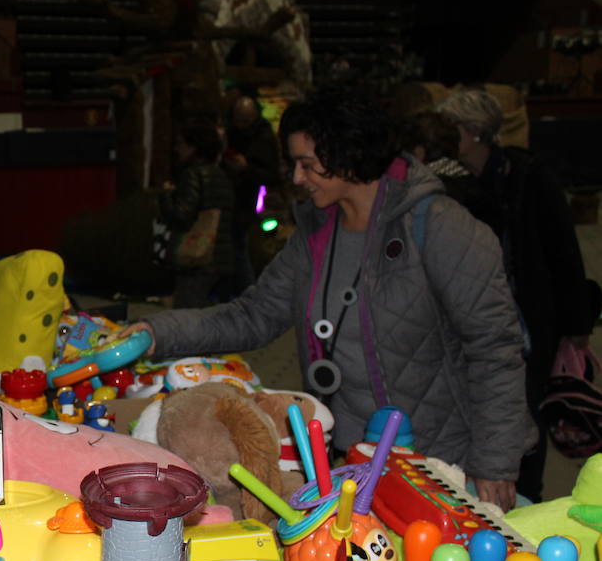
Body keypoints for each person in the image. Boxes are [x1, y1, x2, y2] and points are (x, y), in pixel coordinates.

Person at [123, 87, 533, 511]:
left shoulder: (440, 227)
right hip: (351, 468)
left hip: (442, 465)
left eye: (307, 164)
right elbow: (252, 315)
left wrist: (496, 464)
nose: (298, 178)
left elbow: (494, 349)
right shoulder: (316, 236)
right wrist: (158, 332)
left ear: (348, 153)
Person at [438, 88, 601, 501]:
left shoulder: (528, 177)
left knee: (526, 411)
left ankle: (527, 498)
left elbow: (564, 252)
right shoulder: (452, 182)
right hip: (481, 317)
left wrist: (576, 326)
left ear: (473, 132)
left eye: (450, 127)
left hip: (530, 321)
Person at [162, 120, 233, 309]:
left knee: (187, 316)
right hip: (218, 255)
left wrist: (167, 196)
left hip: (196, 256)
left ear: (193, 147)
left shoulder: (192, 174)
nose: (177, 149)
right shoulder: (221, 174)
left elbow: (182, 216)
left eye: (180, 144)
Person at [222, 95, 281, 294]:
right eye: (238, 119)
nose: (241, 125)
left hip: (251, 199)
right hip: (233, 197)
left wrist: (246, 168)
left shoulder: (264, 138)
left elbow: (271, 174)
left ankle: (248, 292)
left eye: (245, 120)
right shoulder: (231, 134)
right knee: (235, 247)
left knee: (242, 247)